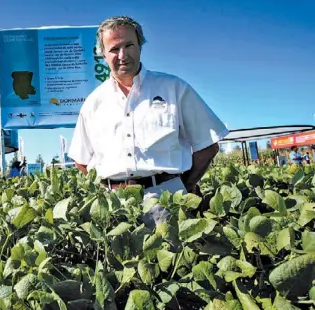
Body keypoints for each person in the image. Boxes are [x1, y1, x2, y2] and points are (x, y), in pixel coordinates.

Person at [69, 16, 228, 202]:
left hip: (166, 197)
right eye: (114, 49)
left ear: (140, 46)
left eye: (129, 45)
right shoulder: (93, 103)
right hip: (115, 204)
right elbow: (81, 161)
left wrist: (184, 185)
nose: (122, 55)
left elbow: (208, 144)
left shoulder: (174, 88)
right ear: (103, 54)